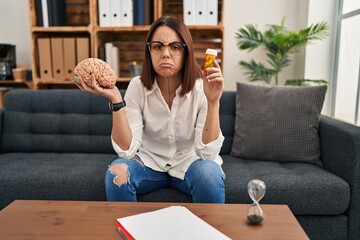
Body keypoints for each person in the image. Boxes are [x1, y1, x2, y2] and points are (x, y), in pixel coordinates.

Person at [75, 15, 225, 203]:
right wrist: (116, 100)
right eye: (157, 46)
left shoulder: (201, 87)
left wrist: (213, 101)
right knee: (117, 171)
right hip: (150, 163)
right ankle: (128, 232)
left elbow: (208, 154)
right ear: (149, 52)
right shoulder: (137, 86)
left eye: (175, 47)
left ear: (186, 52)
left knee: (208, 173)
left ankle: (206, 233)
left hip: (189, 162)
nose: (165, 53)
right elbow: (127, 152)